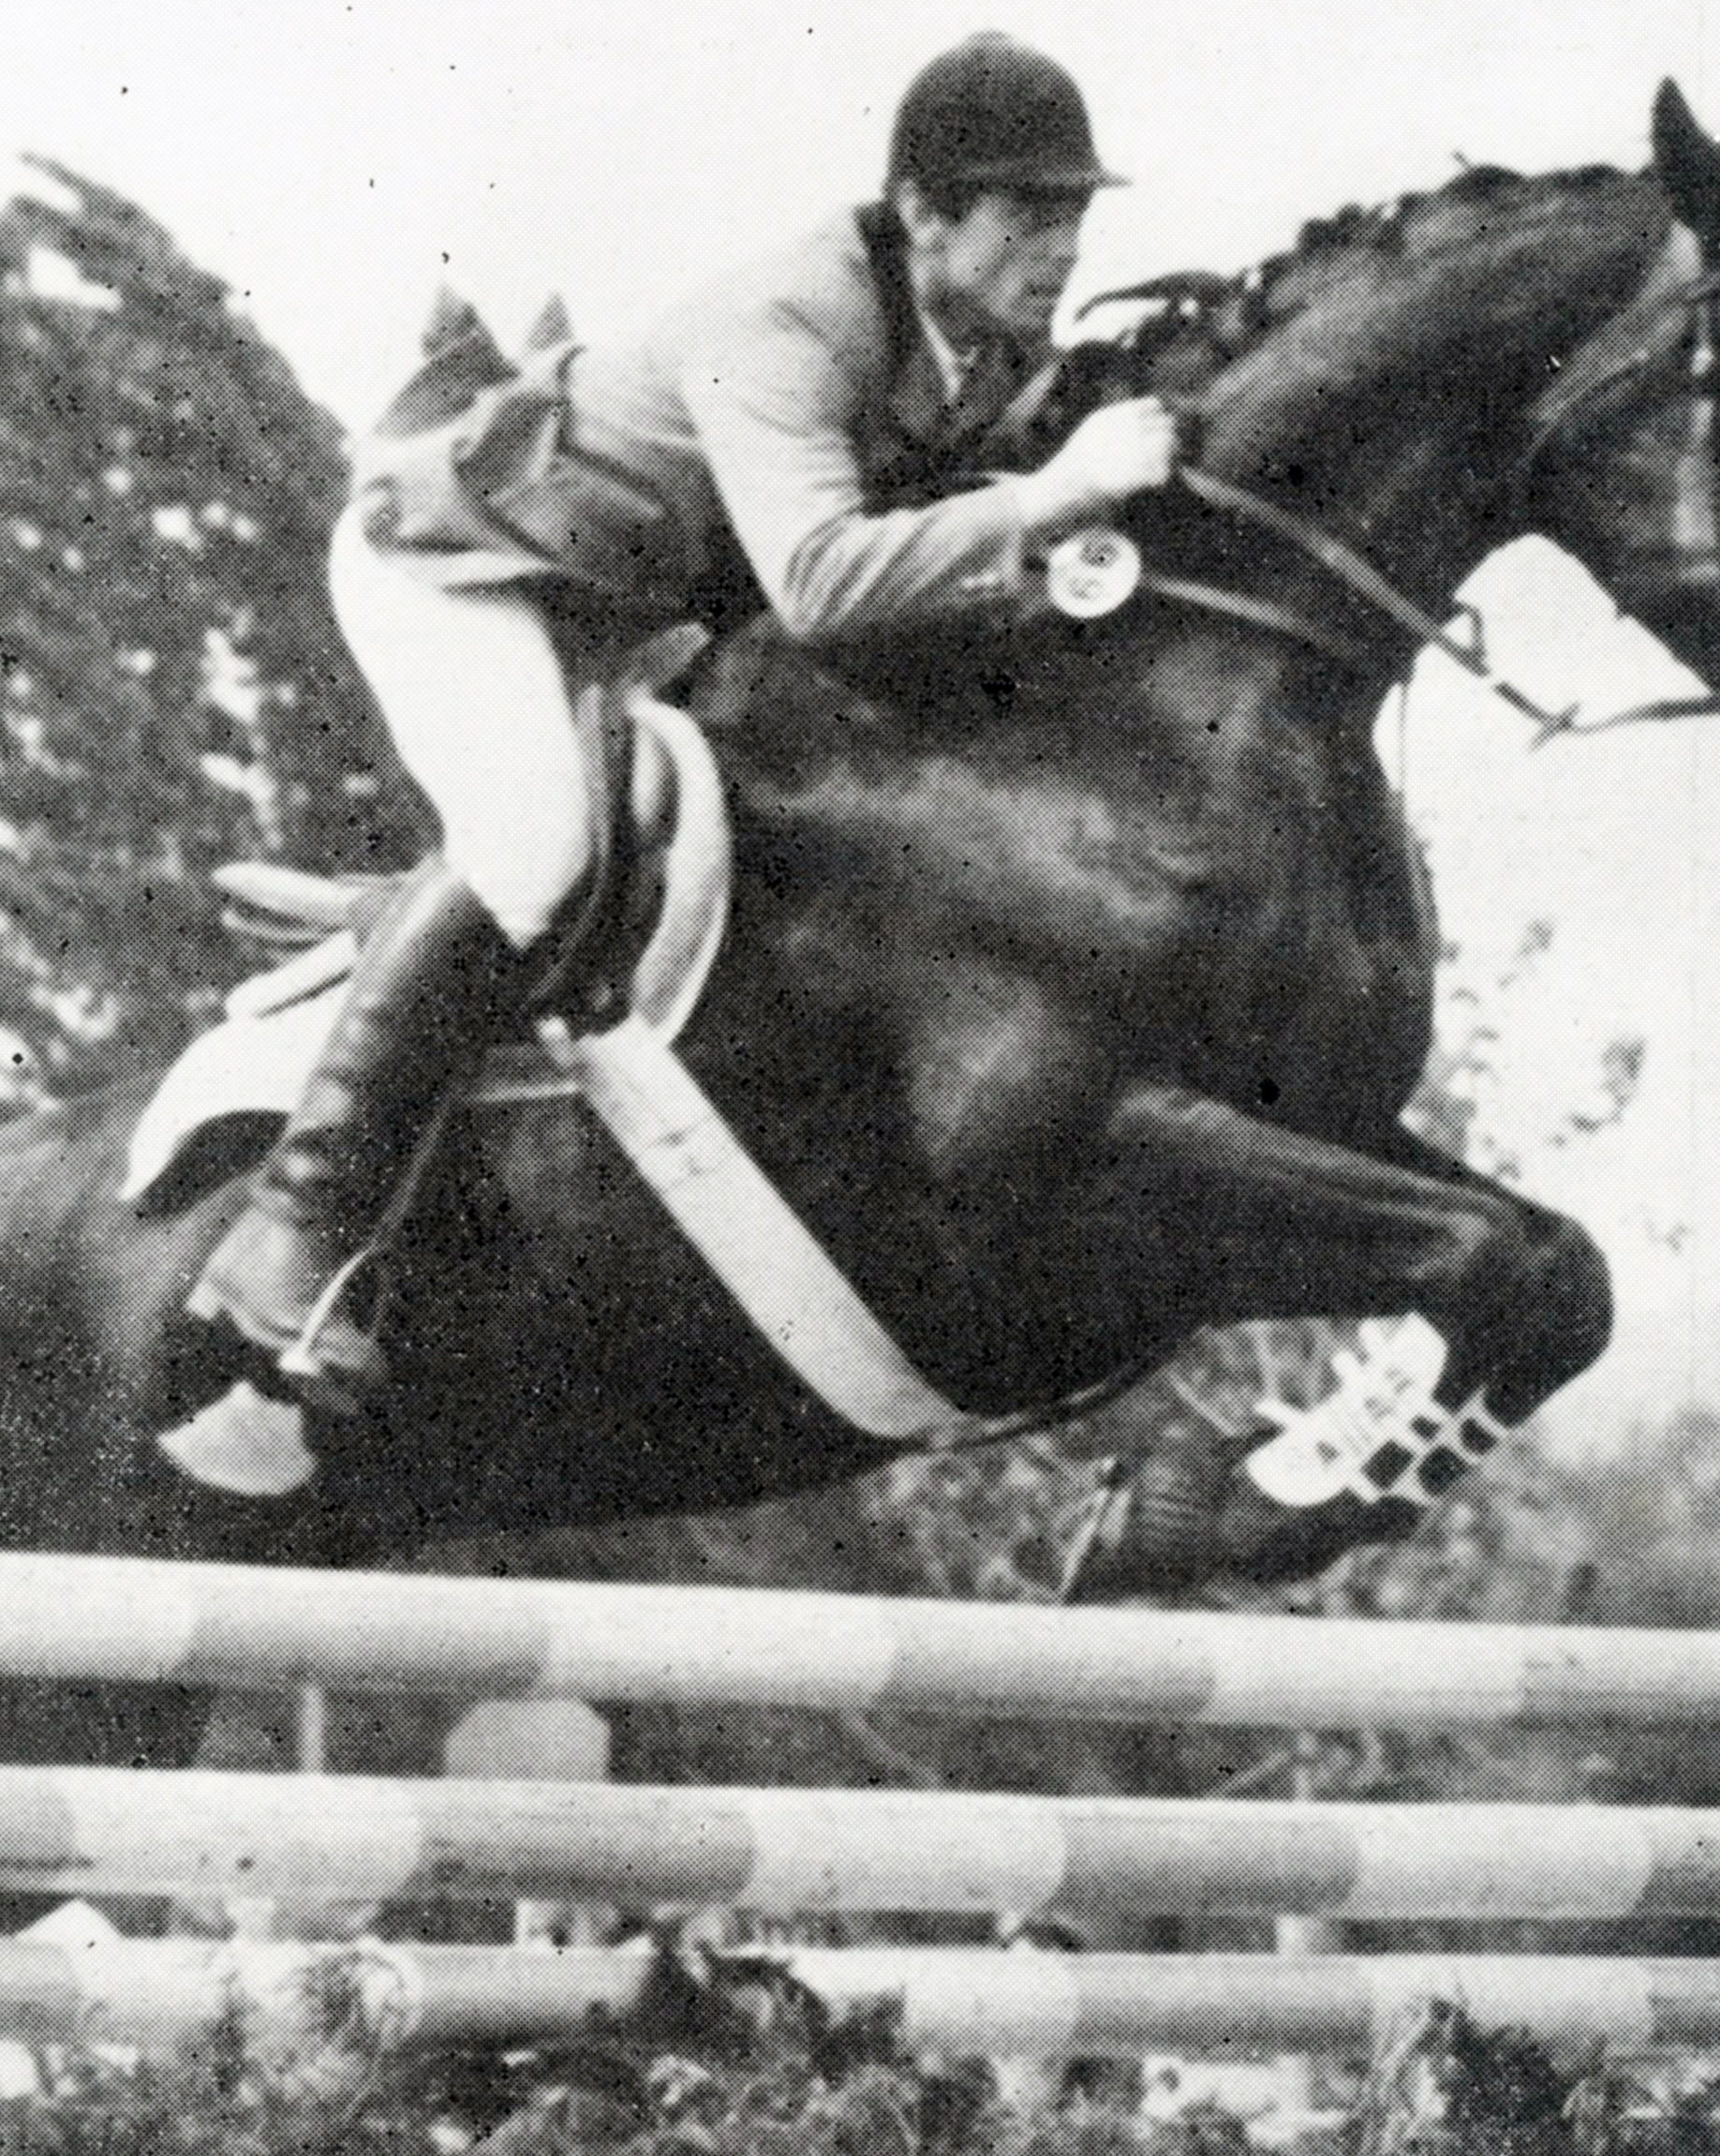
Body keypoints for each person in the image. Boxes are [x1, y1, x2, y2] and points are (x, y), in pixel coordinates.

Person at [188, 34, 1179, 1405]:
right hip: (461, 570)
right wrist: (1044, 500)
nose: (1059, 248)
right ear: (924, 216)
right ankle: (289, 1227)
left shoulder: (983, 340)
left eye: (1074, 215)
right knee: (536, 847)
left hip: (616, 609)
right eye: (1029, 214)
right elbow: (827, 582)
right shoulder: (788, 319)